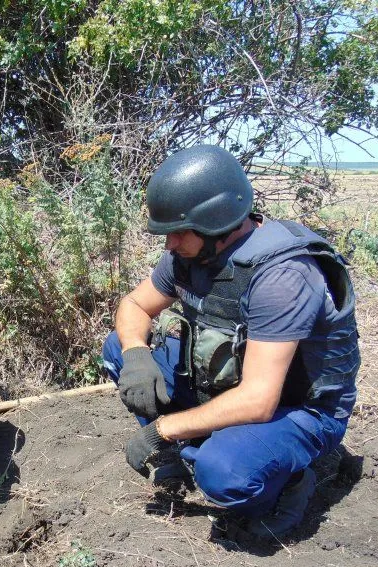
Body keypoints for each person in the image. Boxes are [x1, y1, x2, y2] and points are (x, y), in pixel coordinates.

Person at [103, 144, 360, 540]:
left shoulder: (281, 276)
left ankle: (291, 483)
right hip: (227, 380)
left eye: (177, 233)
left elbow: (259, 399)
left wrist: (162, 429)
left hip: (300, 406)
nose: (168, 244)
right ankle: (183, 452)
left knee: (223, 473)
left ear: (214, 222)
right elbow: (135, 304)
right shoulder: (189, 255)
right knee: (119, 346)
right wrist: (137, 353)